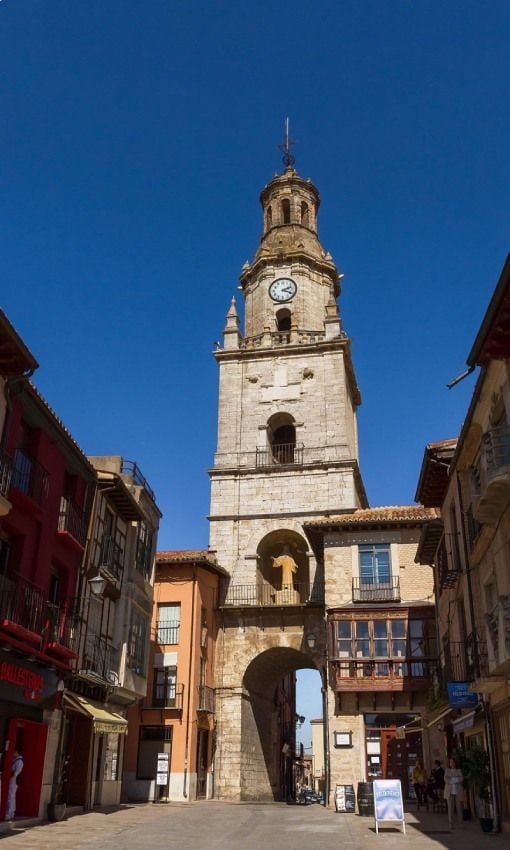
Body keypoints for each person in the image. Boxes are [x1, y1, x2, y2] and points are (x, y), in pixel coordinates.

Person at [444, 757, 464, 829]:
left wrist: (453, 779)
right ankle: (451, 823)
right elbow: (446, 779)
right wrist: (455, 779)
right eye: (451, 762)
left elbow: (461, 778)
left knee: (459, 808)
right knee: (450, 808)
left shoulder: (458, 770)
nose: (452, 763)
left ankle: (460, 823)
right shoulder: (447, 770)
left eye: (453, 762)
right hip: (450, 792)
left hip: (458, 792)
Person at [5, 748, 23, 821]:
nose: (13, 753)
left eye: (14, 752)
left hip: (14, 780)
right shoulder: (14, 760)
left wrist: (11, 777)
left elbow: (16, 772)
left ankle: (10, 812)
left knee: (11, 796)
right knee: (10, 795)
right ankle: (10, 812)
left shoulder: (19, 761)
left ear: (17, 752)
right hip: (11, 779)